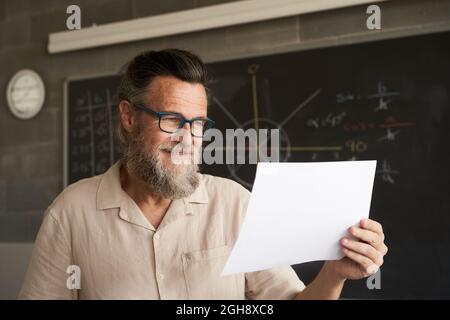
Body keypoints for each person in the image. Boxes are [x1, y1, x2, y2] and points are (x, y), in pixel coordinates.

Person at [19, 49, 388, 299]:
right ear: (129, 117)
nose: (188, 138)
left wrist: (334, 273)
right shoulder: (70, 214)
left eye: (197, 124)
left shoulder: (235, 205)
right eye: (172, 120)